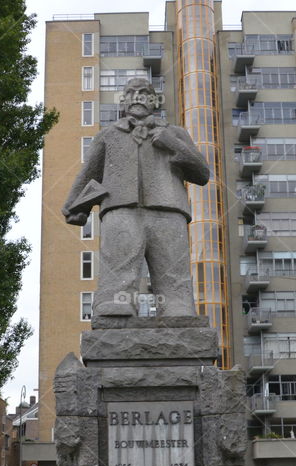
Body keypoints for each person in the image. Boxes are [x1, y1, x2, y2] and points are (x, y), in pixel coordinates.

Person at [62, 77, 209, 318]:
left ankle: (177, 307)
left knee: (173, 270)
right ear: (124, 101)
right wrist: (73, 206)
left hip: (169, 210)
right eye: (132, 92)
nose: (138, 97)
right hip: (120, 209)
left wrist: (173, 145)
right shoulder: (108, 135)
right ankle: (114, 304)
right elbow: (89, 172)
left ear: (154, 101)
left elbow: (202, 173)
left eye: (145, 93)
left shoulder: (175, 133)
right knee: (118, 266)